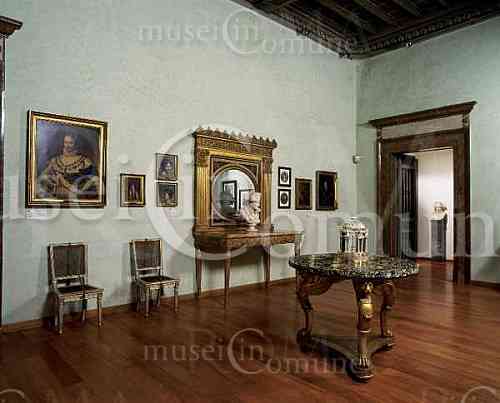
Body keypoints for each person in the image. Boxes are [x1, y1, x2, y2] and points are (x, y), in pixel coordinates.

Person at [38, 133, 98, 200]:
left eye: (70, 143)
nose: (67, 145)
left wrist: (80, 190)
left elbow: (94, 179)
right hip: (55, 195)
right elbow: (42, 176)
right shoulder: (55, 160)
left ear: (75, 144)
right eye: (65, 142)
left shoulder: (84, 161)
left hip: (75, 195)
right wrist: (51, 180)